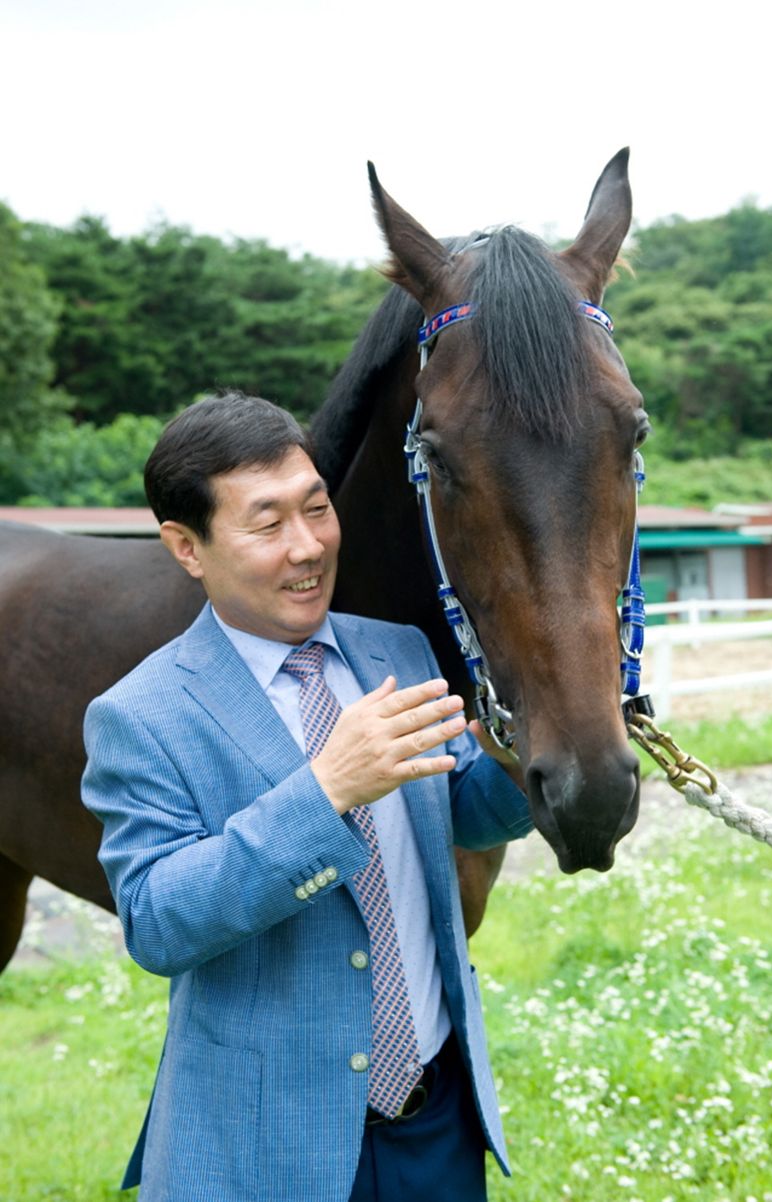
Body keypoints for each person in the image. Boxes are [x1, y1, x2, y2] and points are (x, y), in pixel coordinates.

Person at [81, 391, 533, 1202]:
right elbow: (156, 919)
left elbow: (459, 810)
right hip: (269, 1145)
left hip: (438, 1123)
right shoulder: (141, 716)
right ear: (187, 548)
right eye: (267, 524)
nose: (308, 546)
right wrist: (326, 790)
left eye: (317, 508)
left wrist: (518, 753)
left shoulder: (397, 649)